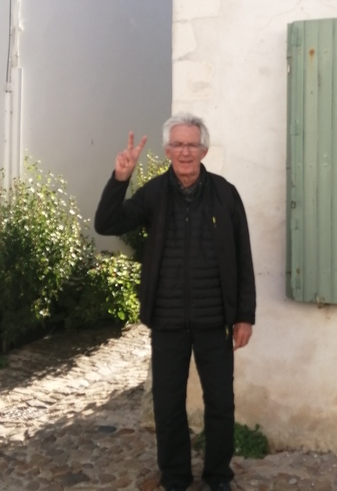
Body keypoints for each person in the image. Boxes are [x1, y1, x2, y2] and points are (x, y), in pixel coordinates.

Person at [95, 112, 256, 491]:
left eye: (192, 145)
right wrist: (120, 178)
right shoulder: (154, 193)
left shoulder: (225, 194)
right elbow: (107, 223)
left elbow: (242, 257)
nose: (185, 152)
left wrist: (244, 316)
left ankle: (218, 475)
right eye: (178, 145)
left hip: (214, 321)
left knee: (221, 404)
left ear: (204, 150)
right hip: (167, 321)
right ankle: (176, 476)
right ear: (167, 150)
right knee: (167, 405)